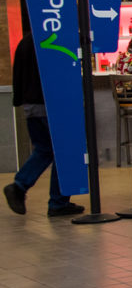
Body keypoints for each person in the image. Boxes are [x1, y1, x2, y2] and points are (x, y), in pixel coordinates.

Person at [4, 31, 85, 217]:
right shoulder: (55, 40)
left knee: (44, 149)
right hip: (51, 104)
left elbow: (17, 73)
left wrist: (19, 100)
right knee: (64, 152)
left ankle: (19, 186)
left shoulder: (25, 42)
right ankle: (58, 201)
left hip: (31, 105)